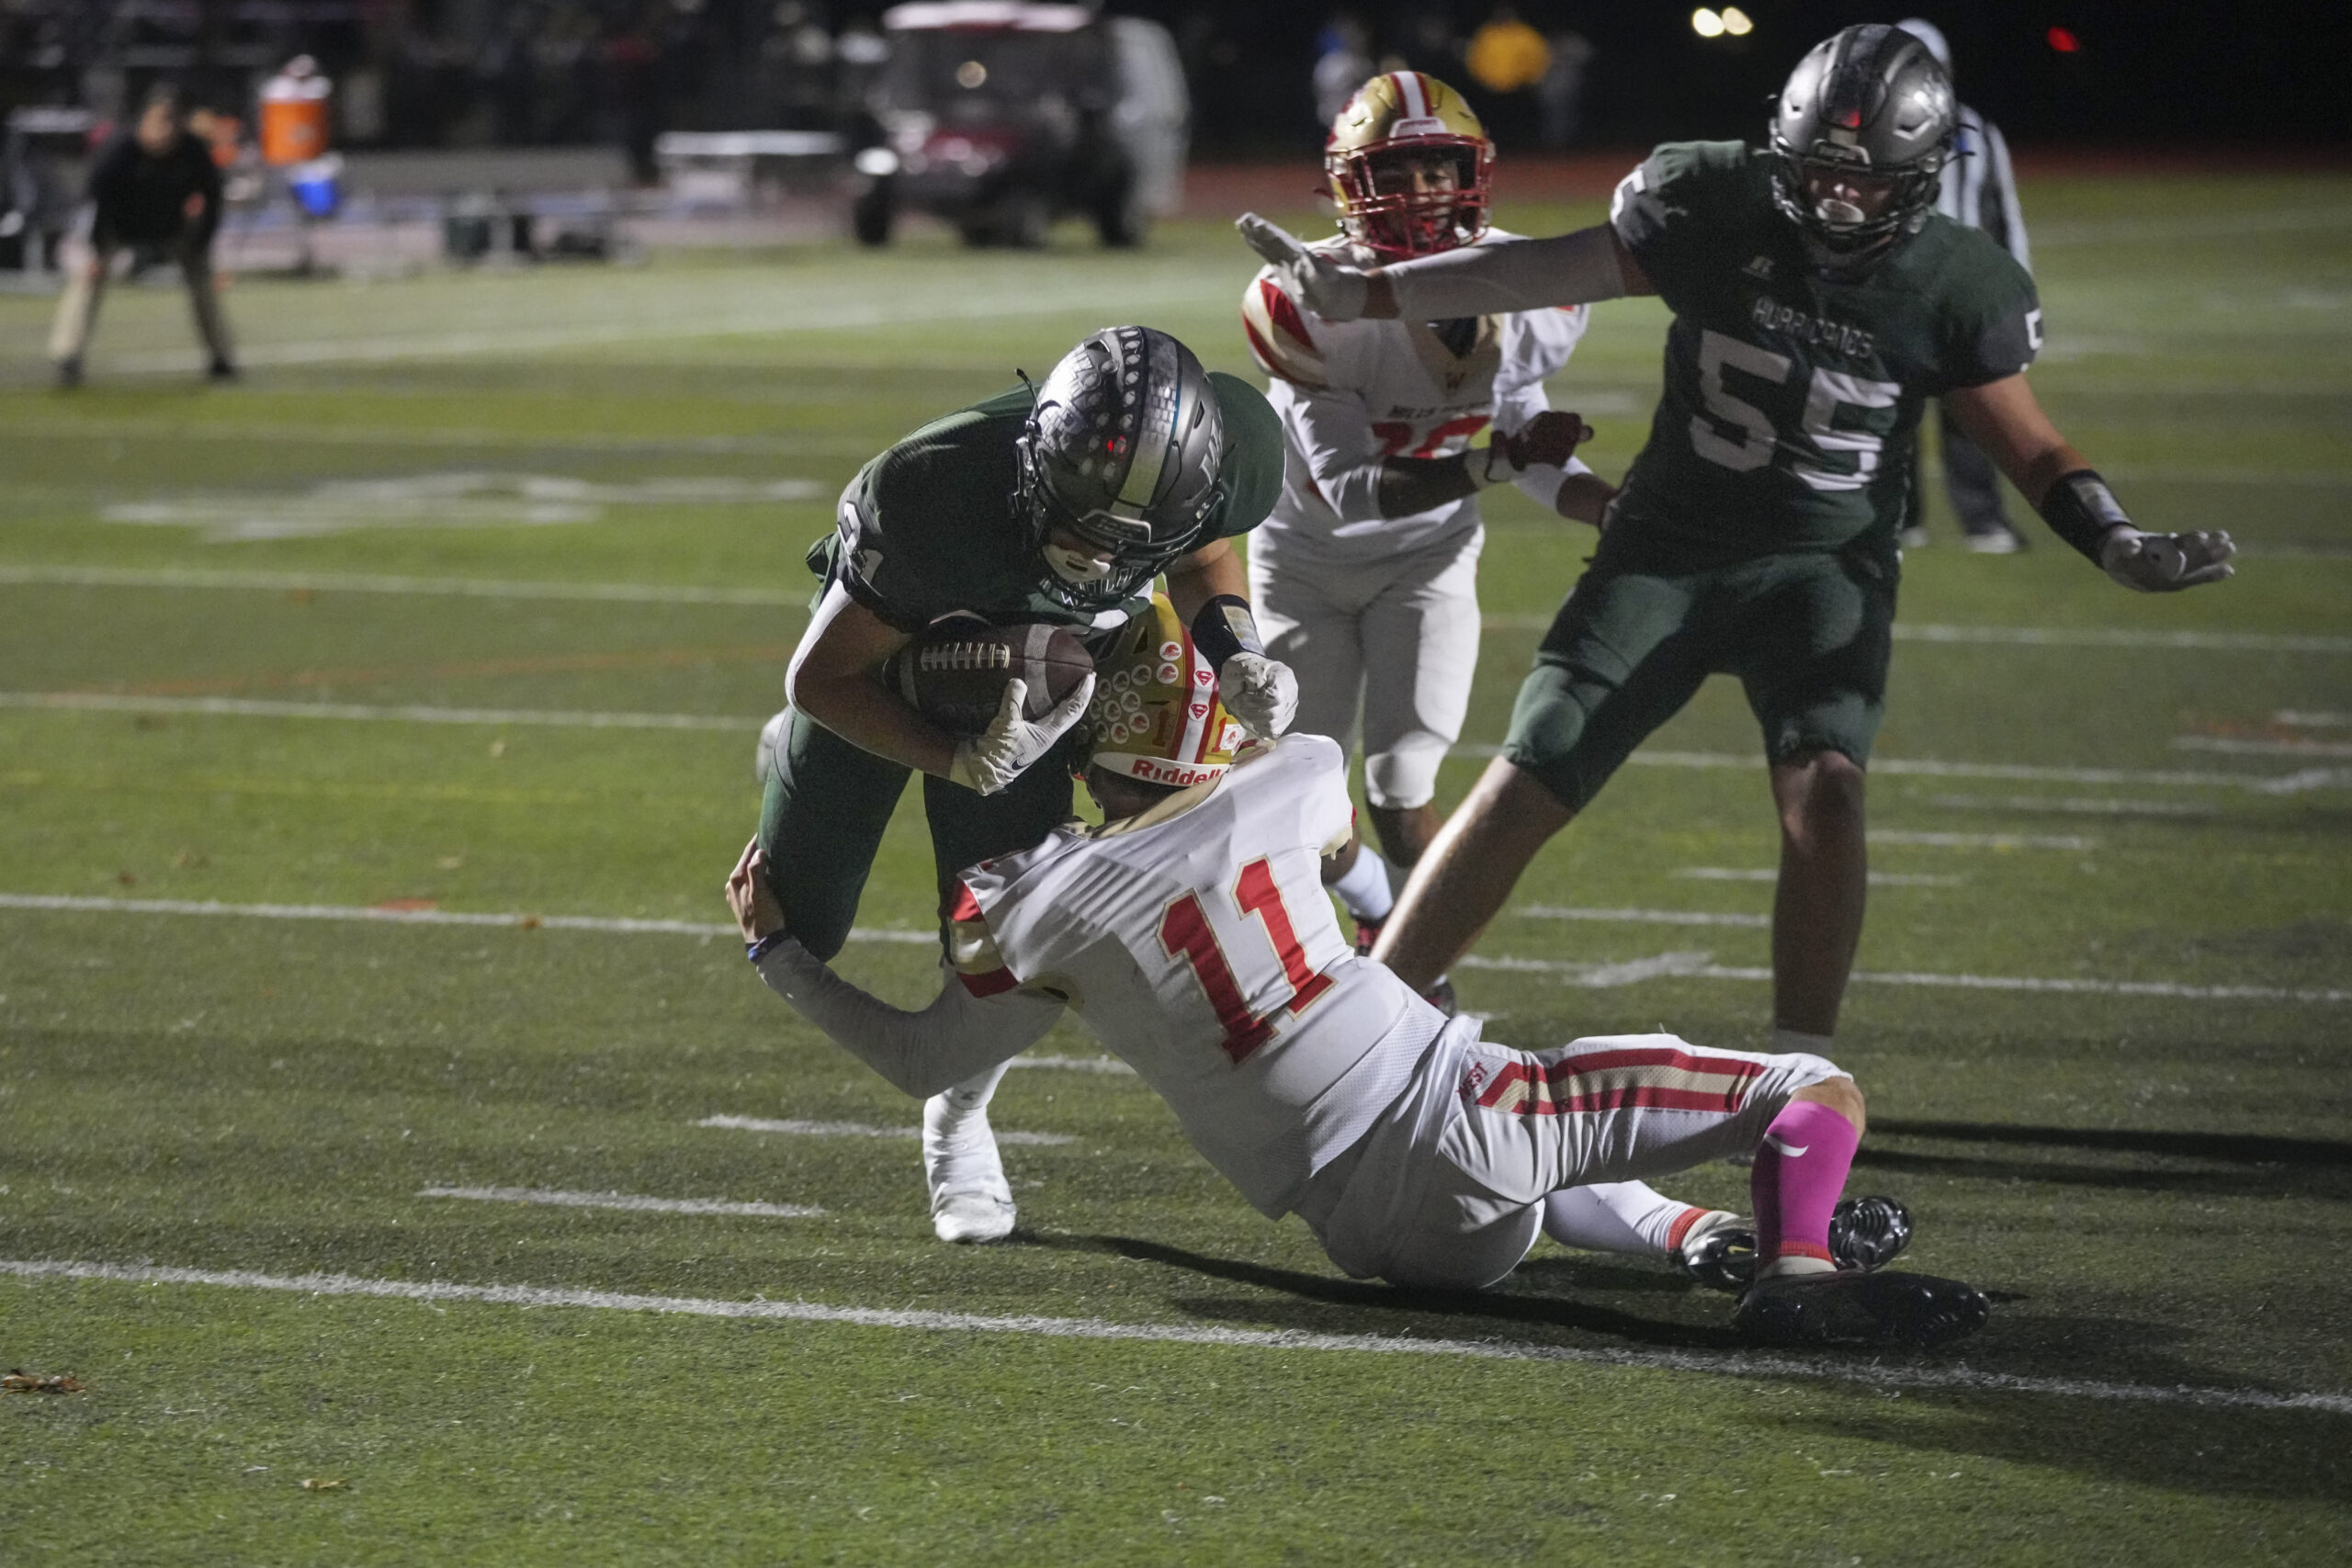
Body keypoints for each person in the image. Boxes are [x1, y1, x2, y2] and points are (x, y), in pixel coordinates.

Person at [1235, 24, 2233, 1059]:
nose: (1840, 200)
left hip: (1822, 571)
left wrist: (2110, 537)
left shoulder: (1953, 282)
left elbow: (2028, 445)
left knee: (1829, 793)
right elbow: (1526, 272)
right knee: (1528, 774)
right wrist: (1363, 294)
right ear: (1782, 150)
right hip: (1664, 547)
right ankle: (1369, 1032)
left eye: (1869, 181)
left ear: (1924, 174)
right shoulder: (1712, 200)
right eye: (1820, 173)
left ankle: (1799, 1068)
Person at [725, 601, 1970, 1348]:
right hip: (1460, 1118)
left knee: (1519, 1179)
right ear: (1202, 717)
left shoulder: (1037, 907)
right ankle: (1798, 1271)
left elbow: (918, 1061)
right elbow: (1333, 851)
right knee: (1818, 1087)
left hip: (1360, 1232)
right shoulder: (1298, 768)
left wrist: (777, 949)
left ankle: (1708, 1236)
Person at [756, 325, 1300, 1247]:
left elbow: (1203, 558)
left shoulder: (1232, 452)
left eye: (1127, 540)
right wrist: (953, 757)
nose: (1095, 558)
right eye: (1079, 527)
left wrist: (1238, 650)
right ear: (1033, 465)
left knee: (1008, 935)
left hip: (1046, 684)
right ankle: (790, 758)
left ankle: (958, 1118)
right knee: (801, 919)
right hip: (893, 669)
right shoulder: (933, 491)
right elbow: (822, 679)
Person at [1238, 71, 1611, 998]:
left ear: (1473, 173)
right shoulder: (1307, 297)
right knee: (1304, 812)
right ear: (1344, 185)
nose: (1421, 192)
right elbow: (1356, 491)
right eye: (1394, 172)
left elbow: (1522, 433)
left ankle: (1416, 981)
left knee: (1402, 784)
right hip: (1304, 560)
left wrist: (1597, 502)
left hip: (1428, 559)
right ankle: (1373, 908)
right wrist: (1497, 462)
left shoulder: (1539, 291)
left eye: (1438, 168)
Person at [1896, 17, 2035, 553]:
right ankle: (1902, 520)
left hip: (1961, 293)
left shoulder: (1977, 129)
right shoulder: (1871, 127)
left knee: (1974, 409)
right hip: (1898, 289)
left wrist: (2016, 287)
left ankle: (1983, 521)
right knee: (1893, 412)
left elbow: (2005, 212)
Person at [48, 83, 235, 388]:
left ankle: (221, 356)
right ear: (144, 119)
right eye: (161, 119)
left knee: (203, 278)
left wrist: (202, 242)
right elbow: (97, 201)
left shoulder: (192, 150)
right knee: (87, 277)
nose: (168, 129)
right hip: (117, 227)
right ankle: (67, 354)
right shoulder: (118, 149)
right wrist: (96, 250)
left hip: (171, 228)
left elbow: (213, 198)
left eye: (175, 120)